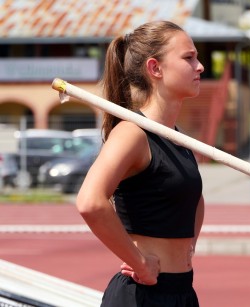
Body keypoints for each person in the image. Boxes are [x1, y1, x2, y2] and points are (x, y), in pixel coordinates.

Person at [76, 20, 205, 307]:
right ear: (155, 68)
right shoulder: (132, 133)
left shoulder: (177, 138)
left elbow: (193, 198)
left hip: (182, 291)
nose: (200, 66)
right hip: (142, 294)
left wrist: (188, 247)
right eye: (189, 58)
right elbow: (90, 201)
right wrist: (138, 261)